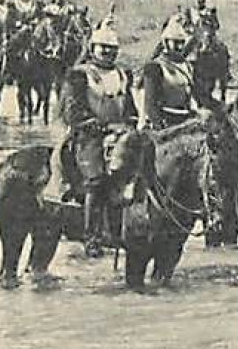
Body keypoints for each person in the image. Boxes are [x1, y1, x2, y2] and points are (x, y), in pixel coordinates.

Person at [59, 20, 138, 254]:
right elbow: (72, 112)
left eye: (111, 48)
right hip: (88, 136)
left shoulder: (122, 75)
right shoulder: (80, 75)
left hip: (119, 134)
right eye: (102, 47)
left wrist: (129, 124)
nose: (106, 52)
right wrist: (99, 126)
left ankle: (122, 231)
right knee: (97, 179)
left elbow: (130, 108)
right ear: (92, 48)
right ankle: (92, 236)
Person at [140, 16, 209, 131]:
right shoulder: (155, 67)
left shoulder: (187, 66)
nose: (180, 47)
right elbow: (150, 105)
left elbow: (199, 95)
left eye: (182, 43)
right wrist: (160, 127)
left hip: (186, 119)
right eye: (176, 43)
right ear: (166, 42)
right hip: (165, 121)